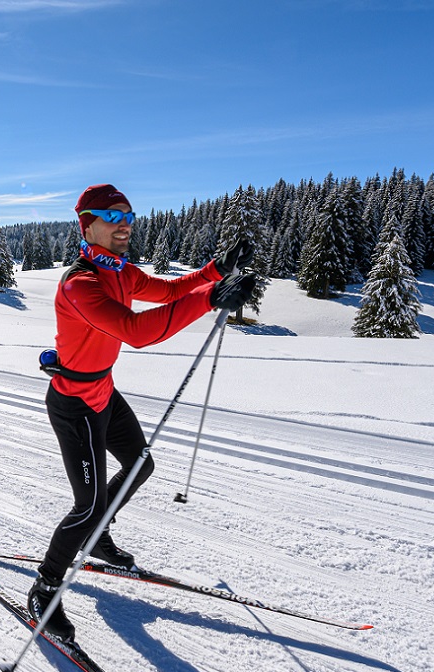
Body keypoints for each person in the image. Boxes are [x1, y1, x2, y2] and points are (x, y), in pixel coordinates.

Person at [28, 184, 260, 640]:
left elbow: (169, 289)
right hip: (73, 405)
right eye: (113, 217)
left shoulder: (121, 272)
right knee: (87, 503)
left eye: (128, 215)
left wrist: (217, 272)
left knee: (139, 463)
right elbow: (135, 331)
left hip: (103, 391)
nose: (125, 224)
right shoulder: (81, 282)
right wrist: (211, 299)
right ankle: (45, 587)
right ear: (87, 224)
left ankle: (96, 539)